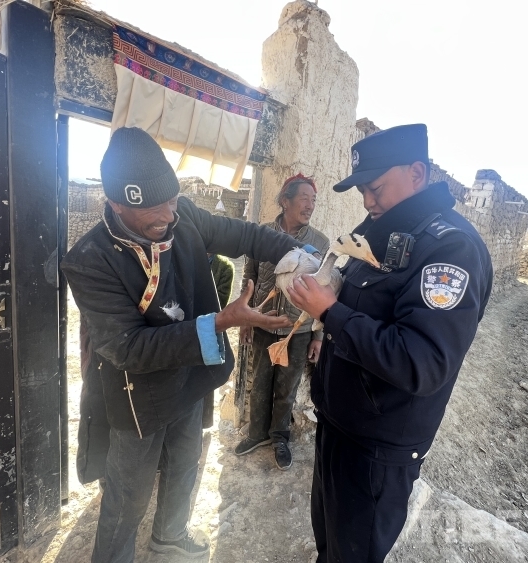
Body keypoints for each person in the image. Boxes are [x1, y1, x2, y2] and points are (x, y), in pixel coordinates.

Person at [61, 127, 319, 563]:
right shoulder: (90, 260)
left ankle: (170, 535)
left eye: (173, 201)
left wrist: (303, 255)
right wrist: (221, 321)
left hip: (189, 374)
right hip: (137, 394)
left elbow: (248, 236)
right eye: (154, 208)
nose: (169, 214)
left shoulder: (183, 217)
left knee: (184, 462)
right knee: (128, 493)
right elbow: (129, 348)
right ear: (117, 203)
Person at [287, 124, 494, 563]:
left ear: (416, 173)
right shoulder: (381, 229)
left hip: (376, 450)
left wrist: (331, 312)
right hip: (338, 425)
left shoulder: (450, 249)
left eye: (375, 188)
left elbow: (423, 362)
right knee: (329, 545)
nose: (367, 201)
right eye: (362, 190)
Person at [234, 174, 329, 470]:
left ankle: (279, 438)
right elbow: (249, 277)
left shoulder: (319, 242)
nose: (310, 205)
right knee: (259, 381)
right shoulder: (262, 234)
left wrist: (318, 336)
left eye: (314, 200)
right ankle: (256, 434)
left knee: (286, 388)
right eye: (304, 198)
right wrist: (246, 317)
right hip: (262, 323)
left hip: (298, 329)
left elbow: (325, 290)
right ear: (285, 201)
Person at [202, 253, 236, 428]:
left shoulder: (225, 267)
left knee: (206, 376)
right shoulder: (184, 257)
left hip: (209, 329)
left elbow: (219, 304)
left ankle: (204, 422)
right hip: (183, 327)